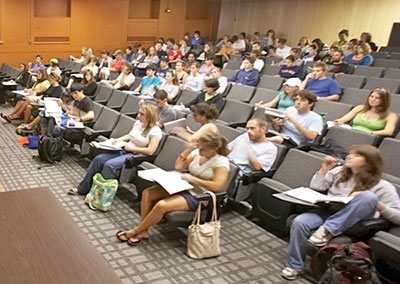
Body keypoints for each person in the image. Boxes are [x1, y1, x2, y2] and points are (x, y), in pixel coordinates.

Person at [280, 144, 400, 280]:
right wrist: (324, 170)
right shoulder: (339, 172)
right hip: (329, 212)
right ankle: (295, 266)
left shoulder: (383, 186)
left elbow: (398, 217)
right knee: (299, 222)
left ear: (368, 161)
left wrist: (377, 204)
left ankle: (327, 230)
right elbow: (317, 187)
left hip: (355, 223)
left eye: (356, 155)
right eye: (349, 154)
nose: (349, 156)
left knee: (368, 196)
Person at [115, 132, 229, 245]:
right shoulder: (197, 153)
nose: (200, 151)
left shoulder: (221, 162)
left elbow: (218, 186)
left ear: (214, 149)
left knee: (161, 205)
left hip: (200, 196)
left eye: (204, 149)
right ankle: (144, 231)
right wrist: (188, 150)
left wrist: (195, 180)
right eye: (199, 147)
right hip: (184, 186)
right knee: (147, 193)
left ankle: (135, 231)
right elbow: (179, 166)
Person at [67, 103, 162, 195]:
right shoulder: (138, 123)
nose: (138, 116)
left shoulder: (155, 130)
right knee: (98, 159)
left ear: (149, 116)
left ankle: (100, 192)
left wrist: (134, 148)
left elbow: (150, 151)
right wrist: (117, 140)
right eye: (139, 113)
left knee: (109, 165)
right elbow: (130, 135)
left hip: (135, 155)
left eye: (142, 114)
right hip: (124, 149)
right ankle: (82, 188)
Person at [333, 88, 398, 136]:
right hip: (351, 133)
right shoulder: (360, 107)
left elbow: (389, 131)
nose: (372, 100)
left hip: (368, 137)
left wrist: (370, 133)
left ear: (384, 101)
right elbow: (344, 119)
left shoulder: (391, 115)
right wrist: (338, 122)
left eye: (377, 98)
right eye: (371, 96)